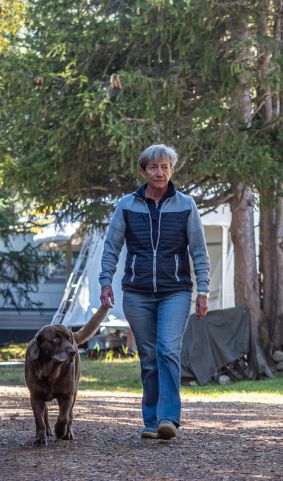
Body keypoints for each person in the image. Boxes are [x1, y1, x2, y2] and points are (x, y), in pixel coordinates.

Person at [99, 144, 210, 440]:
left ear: (171, 170)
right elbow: (112, 247)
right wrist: (105, 281)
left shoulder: (186, 204)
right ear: (143, 171)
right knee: (148, 356)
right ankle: (151, 421)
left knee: (167, 350)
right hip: (137, 292)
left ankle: (169, 418)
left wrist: (204, 290)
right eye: (154, 167)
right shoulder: (126, 205)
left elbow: (198, 250)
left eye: (165, 167)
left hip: (176, 291)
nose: (160, 173)